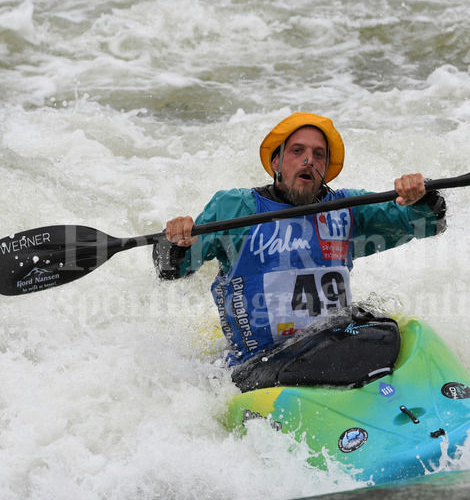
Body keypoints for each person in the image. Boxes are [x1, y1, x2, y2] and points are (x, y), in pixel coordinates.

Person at [152, 112, 447, 372]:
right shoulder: (236, 208)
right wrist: (178, 243)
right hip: (261, 363)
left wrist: (421, 197)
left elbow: (427, 223)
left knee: (389, 332)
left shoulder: (347, 209)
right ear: (277, 161)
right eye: (297, 151)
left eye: (319, 155)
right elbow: (171, 270)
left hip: (333, 347)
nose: (309, 160)